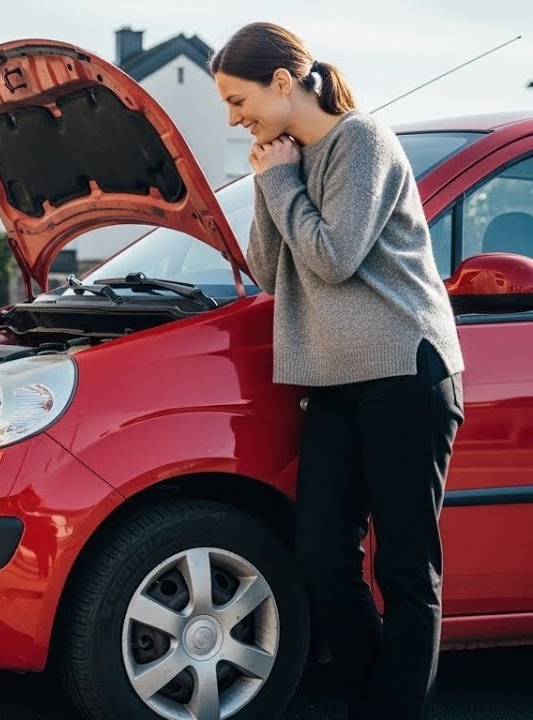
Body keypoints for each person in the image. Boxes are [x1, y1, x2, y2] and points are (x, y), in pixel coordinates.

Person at [210, 22, 465, 720]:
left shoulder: (362, 141)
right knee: (322, 554)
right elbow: (271, 269)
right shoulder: (284, 162)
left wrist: (282, 180)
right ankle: (368, 704)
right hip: (332, 381)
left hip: (404, 371)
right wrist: (270, 183)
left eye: (239, 100)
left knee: (406, 569)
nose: (236, 119)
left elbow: (333, 257)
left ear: (283, 83)